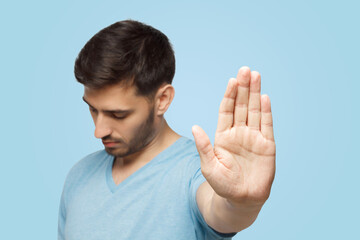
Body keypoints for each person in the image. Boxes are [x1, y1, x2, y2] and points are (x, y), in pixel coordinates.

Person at [58, 20, 276, 240]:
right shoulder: (79, 176)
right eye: (93, 110)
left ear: (162, 100)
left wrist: (243, 203)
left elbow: (221, 210)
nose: (99, 130)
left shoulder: (197, 171)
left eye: (118, 114)